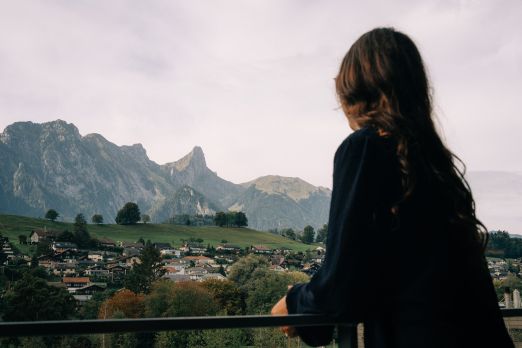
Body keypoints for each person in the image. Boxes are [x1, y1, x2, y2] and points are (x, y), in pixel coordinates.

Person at [271, 27, 514, 348]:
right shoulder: (439, 169)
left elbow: (341, 286)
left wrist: (293, 301)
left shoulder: (364, 149)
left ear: (355, 91)